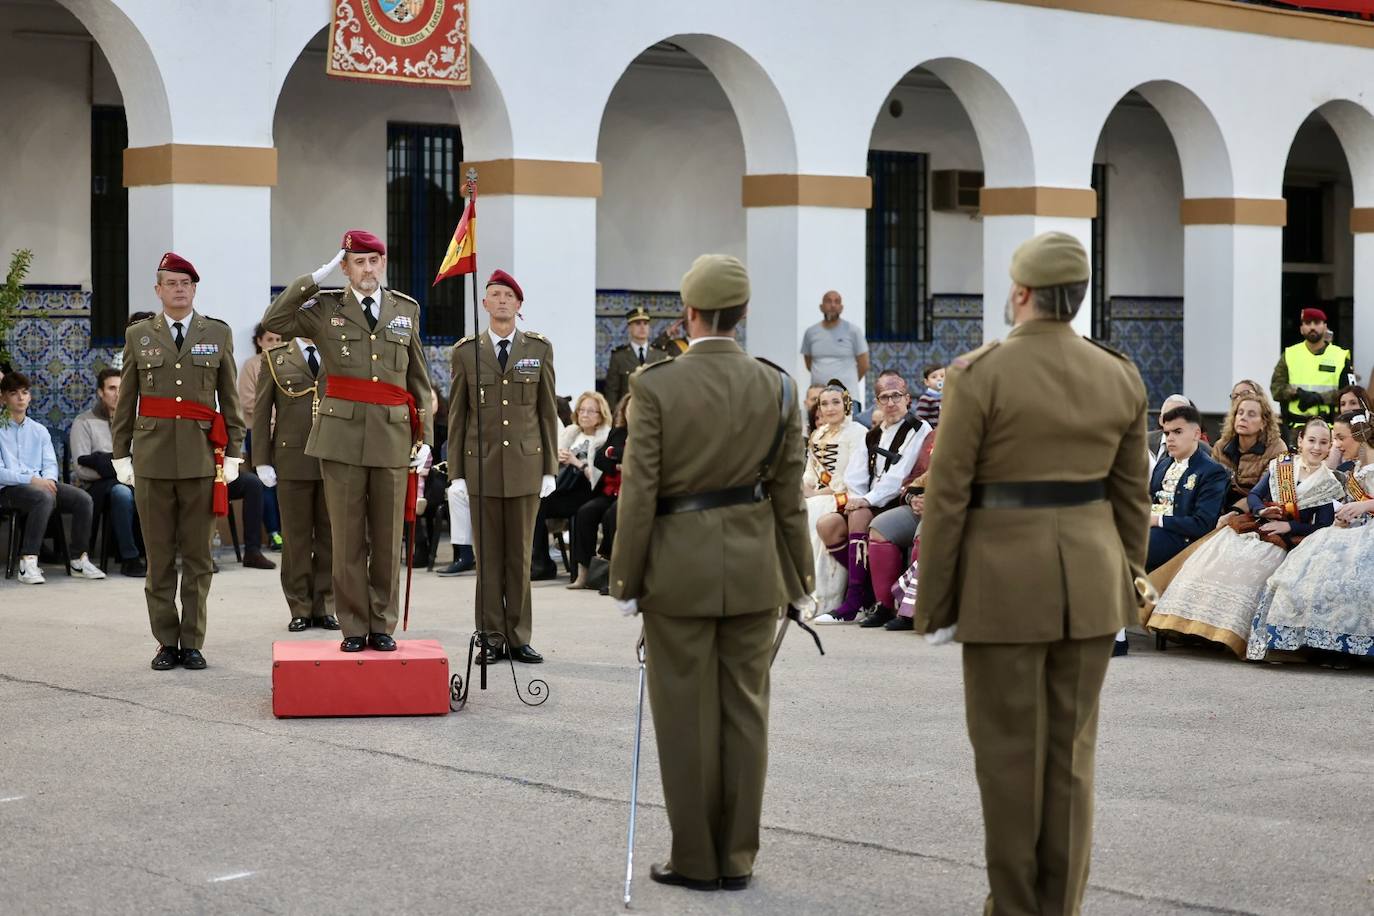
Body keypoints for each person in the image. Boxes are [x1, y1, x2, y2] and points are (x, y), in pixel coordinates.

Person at [913, 232, 1149, 916]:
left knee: (1010, 758)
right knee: (1072, 758)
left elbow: (948, 494)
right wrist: (1129, 578)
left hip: (1002, 586)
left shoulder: (979, 374)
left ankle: (1014, 907)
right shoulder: (1119, 373)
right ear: (1075, 301)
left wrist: (937, 603)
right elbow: (1131, 500)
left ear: (1020, 294)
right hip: (1091, 584)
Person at [609, 253, 812, 893]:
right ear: (743, 315)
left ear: (687, 314)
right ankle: (738, 858)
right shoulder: (777, 386)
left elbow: (638, 493)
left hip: (677, 570)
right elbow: (790, 496)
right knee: (746, 712)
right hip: (755, 570)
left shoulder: (657, 385)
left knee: (684, 715)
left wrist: (625, 579)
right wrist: (800, 578)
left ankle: (694, 858)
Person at [263, 230, 433, 654]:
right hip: (340, 438)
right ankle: (354, 625)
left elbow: (418, 377)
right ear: (345, 267)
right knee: (347, 539)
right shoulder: (324, 308)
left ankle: (382, 624)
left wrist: (424, 436)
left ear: (383, 263)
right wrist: (311, 280)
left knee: (388, 535)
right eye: (359, 262)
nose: (368, 269)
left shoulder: (404, 309)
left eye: (375, 260)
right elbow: (274, 322)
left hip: (392, 437)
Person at [112, 253, 245, 670]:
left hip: (202, 459)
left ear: (194, 288)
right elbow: (127, 400)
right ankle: (166, 641)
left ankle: (192, 641)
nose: (179, 289)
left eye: (186, 283)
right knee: (160, 558)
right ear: (158, 290)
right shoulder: (139, 335)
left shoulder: (217, 334)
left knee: (199, 558)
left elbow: (231, 399)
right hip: (151, 459)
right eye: (171, 283)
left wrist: (236, 452)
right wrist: (121, 454)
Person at [1146, 417, 1342, 656]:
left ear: (1330, 446)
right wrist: (1261, 510)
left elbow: (1322, 526)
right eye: (1311, 440)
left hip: (1287, 541)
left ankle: (1229, 634)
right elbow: (1255, 496)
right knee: (1217, 557)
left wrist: (1289, 527)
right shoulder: (1282, 465)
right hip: (1258, 526)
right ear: (1300, 440)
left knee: (1252, 569)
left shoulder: (1328, 483)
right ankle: (1194, 627)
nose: (1316, 447)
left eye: (1323, 442)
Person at [448, 269, 559, 664]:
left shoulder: (538, 349)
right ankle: (491, 636)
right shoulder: (466, 352)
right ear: (484, 304)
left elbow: (547, 413)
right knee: (489, 559)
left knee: (520, 558)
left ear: (519, 305)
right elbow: (458, 417)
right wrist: (456, 474)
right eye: (494, 295)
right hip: (481, 469)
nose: (501, 301)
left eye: (508, 296)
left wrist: (549, 468)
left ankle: (518, 636)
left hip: (526, 468)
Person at [1248, 415, 1374, 663]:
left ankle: (1343, 646)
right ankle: (1323, 642)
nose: (1335, 445)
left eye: (1339, 438)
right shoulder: (1353, 469)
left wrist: (1366, 506)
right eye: (1333, 439)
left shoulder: (1336, 476)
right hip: (1352, 531)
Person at [812, 371, 930, 624]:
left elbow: (898, 476)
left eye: (896, 396)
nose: (890, 403)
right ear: (876, 402)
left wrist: (866, 501)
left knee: (859, 514)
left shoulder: (919, 428)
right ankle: (865, 591)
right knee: (827, 525)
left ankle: (855, 603)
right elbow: (855, 475)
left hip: (896, 500)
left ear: (908, 398)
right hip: (868, 500)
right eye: (884, 397)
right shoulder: (873, 434)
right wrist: (857, 497)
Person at [252, 335, 337, 632]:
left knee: (331, 537)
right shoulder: (275, 357)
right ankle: (299, 606)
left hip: (335, 456)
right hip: (292, 457)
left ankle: (326, 605)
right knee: (296, 539)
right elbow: (262, 411)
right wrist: (261, 459)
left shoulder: (338, 347)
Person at [0, 371, 104, 584]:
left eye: (25, 392)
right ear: (3, 398)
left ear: (30, 397)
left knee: (82, 499)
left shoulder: (39, 431)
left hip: (40, 486)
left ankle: (78, 559)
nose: (20, 398)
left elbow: (49, 465)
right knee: (42, 497)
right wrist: (33, 481)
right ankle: (27, 562)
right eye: (13, 393)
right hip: (7, 489)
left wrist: (48, 481)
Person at [799, 381, 867, 618]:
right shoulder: (818, 433)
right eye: (824, 403)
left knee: (814, 511)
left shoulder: (858, 432)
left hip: (846, 495)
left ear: (846, 403)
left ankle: (825, 598)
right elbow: (810, 472)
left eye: (835, 402)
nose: (829, 408)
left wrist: (818, 493)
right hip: (819, 494)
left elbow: (854, 476)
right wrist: (805, 487)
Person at [70, 367, 145, 576]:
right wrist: (119, 471)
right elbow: (81, 469)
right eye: (112, 388)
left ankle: (153, 554)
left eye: (122, 388)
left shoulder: (135, 421)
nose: (118, 393)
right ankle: (130, 559)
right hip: (95, 487)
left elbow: (142, 459)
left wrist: (107, 464)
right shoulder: (83, 422)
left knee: (153, 490)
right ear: (101, 393)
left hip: (131, 481)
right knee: (121, 492)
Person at [532, 391, 612, 581]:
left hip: (589, 491)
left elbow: (600, 478)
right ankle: (540, 562)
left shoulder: (604, 438)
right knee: (535, 503)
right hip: (566, 488)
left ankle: (554, 566)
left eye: (591, 411)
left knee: (549, 504)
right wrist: (558, 460)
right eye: (582, 410)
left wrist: (577, 462)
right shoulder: (571, 433)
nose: (584, 415)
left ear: (601, 414)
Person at [863, 429, 936, 631]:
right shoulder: (935, 435)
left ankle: (913, 611)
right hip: (921, 503)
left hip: (953, 509)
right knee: (881, 527)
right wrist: (913, 499)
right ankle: (885, 606)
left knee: (925, 533)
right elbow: (912, 479)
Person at [1146, 404, 1229, 572]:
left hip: (1183, 540)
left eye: (1177, 432)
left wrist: (1157, 520)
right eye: (1167, 432)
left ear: (1196, 434)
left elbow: (1203, 524)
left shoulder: (1211, 471)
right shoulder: (1162, 465)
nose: (1169, 438)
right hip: (1151, 532)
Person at [568, 393, 628, 589]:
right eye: (628, 410)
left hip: (633, 492)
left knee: (612, 515)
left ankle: (610, 570)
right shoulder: (619, 432)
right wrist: (617, 462)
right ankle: (583, 573)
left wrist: (615, 454)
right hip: (611, 490)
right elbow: (602, 458)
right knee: (585, 512)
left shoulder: (648, 433)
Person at [1270, 307, 1354, 438]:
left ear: (1325, 327)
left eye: (1317, 323)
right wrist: (1296, 393)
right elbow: (1276, 389)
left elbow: (1351, 393)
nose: (1312, 327)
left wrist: (1319, 398)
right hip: (1296, 428)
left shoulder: (1340, 356)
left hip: (1330, 428)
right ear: (1301, 328)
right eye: (1308, 323)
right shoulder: (1290, 354)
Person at [240, 322, 284, 552]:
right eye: (270, 340)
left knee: (288, 484)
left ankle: (288, 531)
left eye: (278, 340)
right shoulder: (251, 366)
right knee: (266, 483)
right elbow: (249, 403)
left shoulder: (289, 364)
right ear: (259, 342)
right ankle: (274, 533)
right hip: (259, 432)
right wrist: (278, 415)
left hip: (287, 434)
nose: (275, 344)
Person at [1213, 389, 1289, 508]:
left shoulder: (1277, 448)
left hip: (1256, 509)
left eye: (1251, 414)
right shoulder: (1221, 446)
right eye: (1240, 412)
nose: (1243, 418)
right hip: (1220, 506)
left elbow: (1265, 493)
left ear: (1263, 423)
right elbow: (1211, 486)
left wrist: (1235, 512)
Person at [800, 290, 869, 414]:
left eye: (837, 302)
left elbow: (864, 364)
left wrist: (846, 381)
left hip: (848, 397)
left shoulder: (853, 331)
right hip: (820, 400)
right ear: (821, 307)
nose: (832, 305)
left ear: (841, 308)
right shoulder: (810, 332)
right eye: (828, 301)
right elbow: (808, 362)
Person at [604, 307, 670, 413]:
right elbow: (612, 391)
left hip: (655, 412)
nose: (642, 327)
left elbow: (666, 389)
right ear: (630, 327)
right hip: (627, 413)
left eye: (645, 323)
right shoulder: (619, 356)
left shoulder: (660, 355)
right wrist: (614, 415)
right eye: (638, 323)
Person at [912, 364, 944, 428]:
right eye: (934, 377)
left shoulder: (948, 397)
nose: (939, 379)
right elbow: (920, 419)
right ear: (927, 382)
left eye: (942, 376)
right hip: (932, 433)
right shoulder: (926, 399)